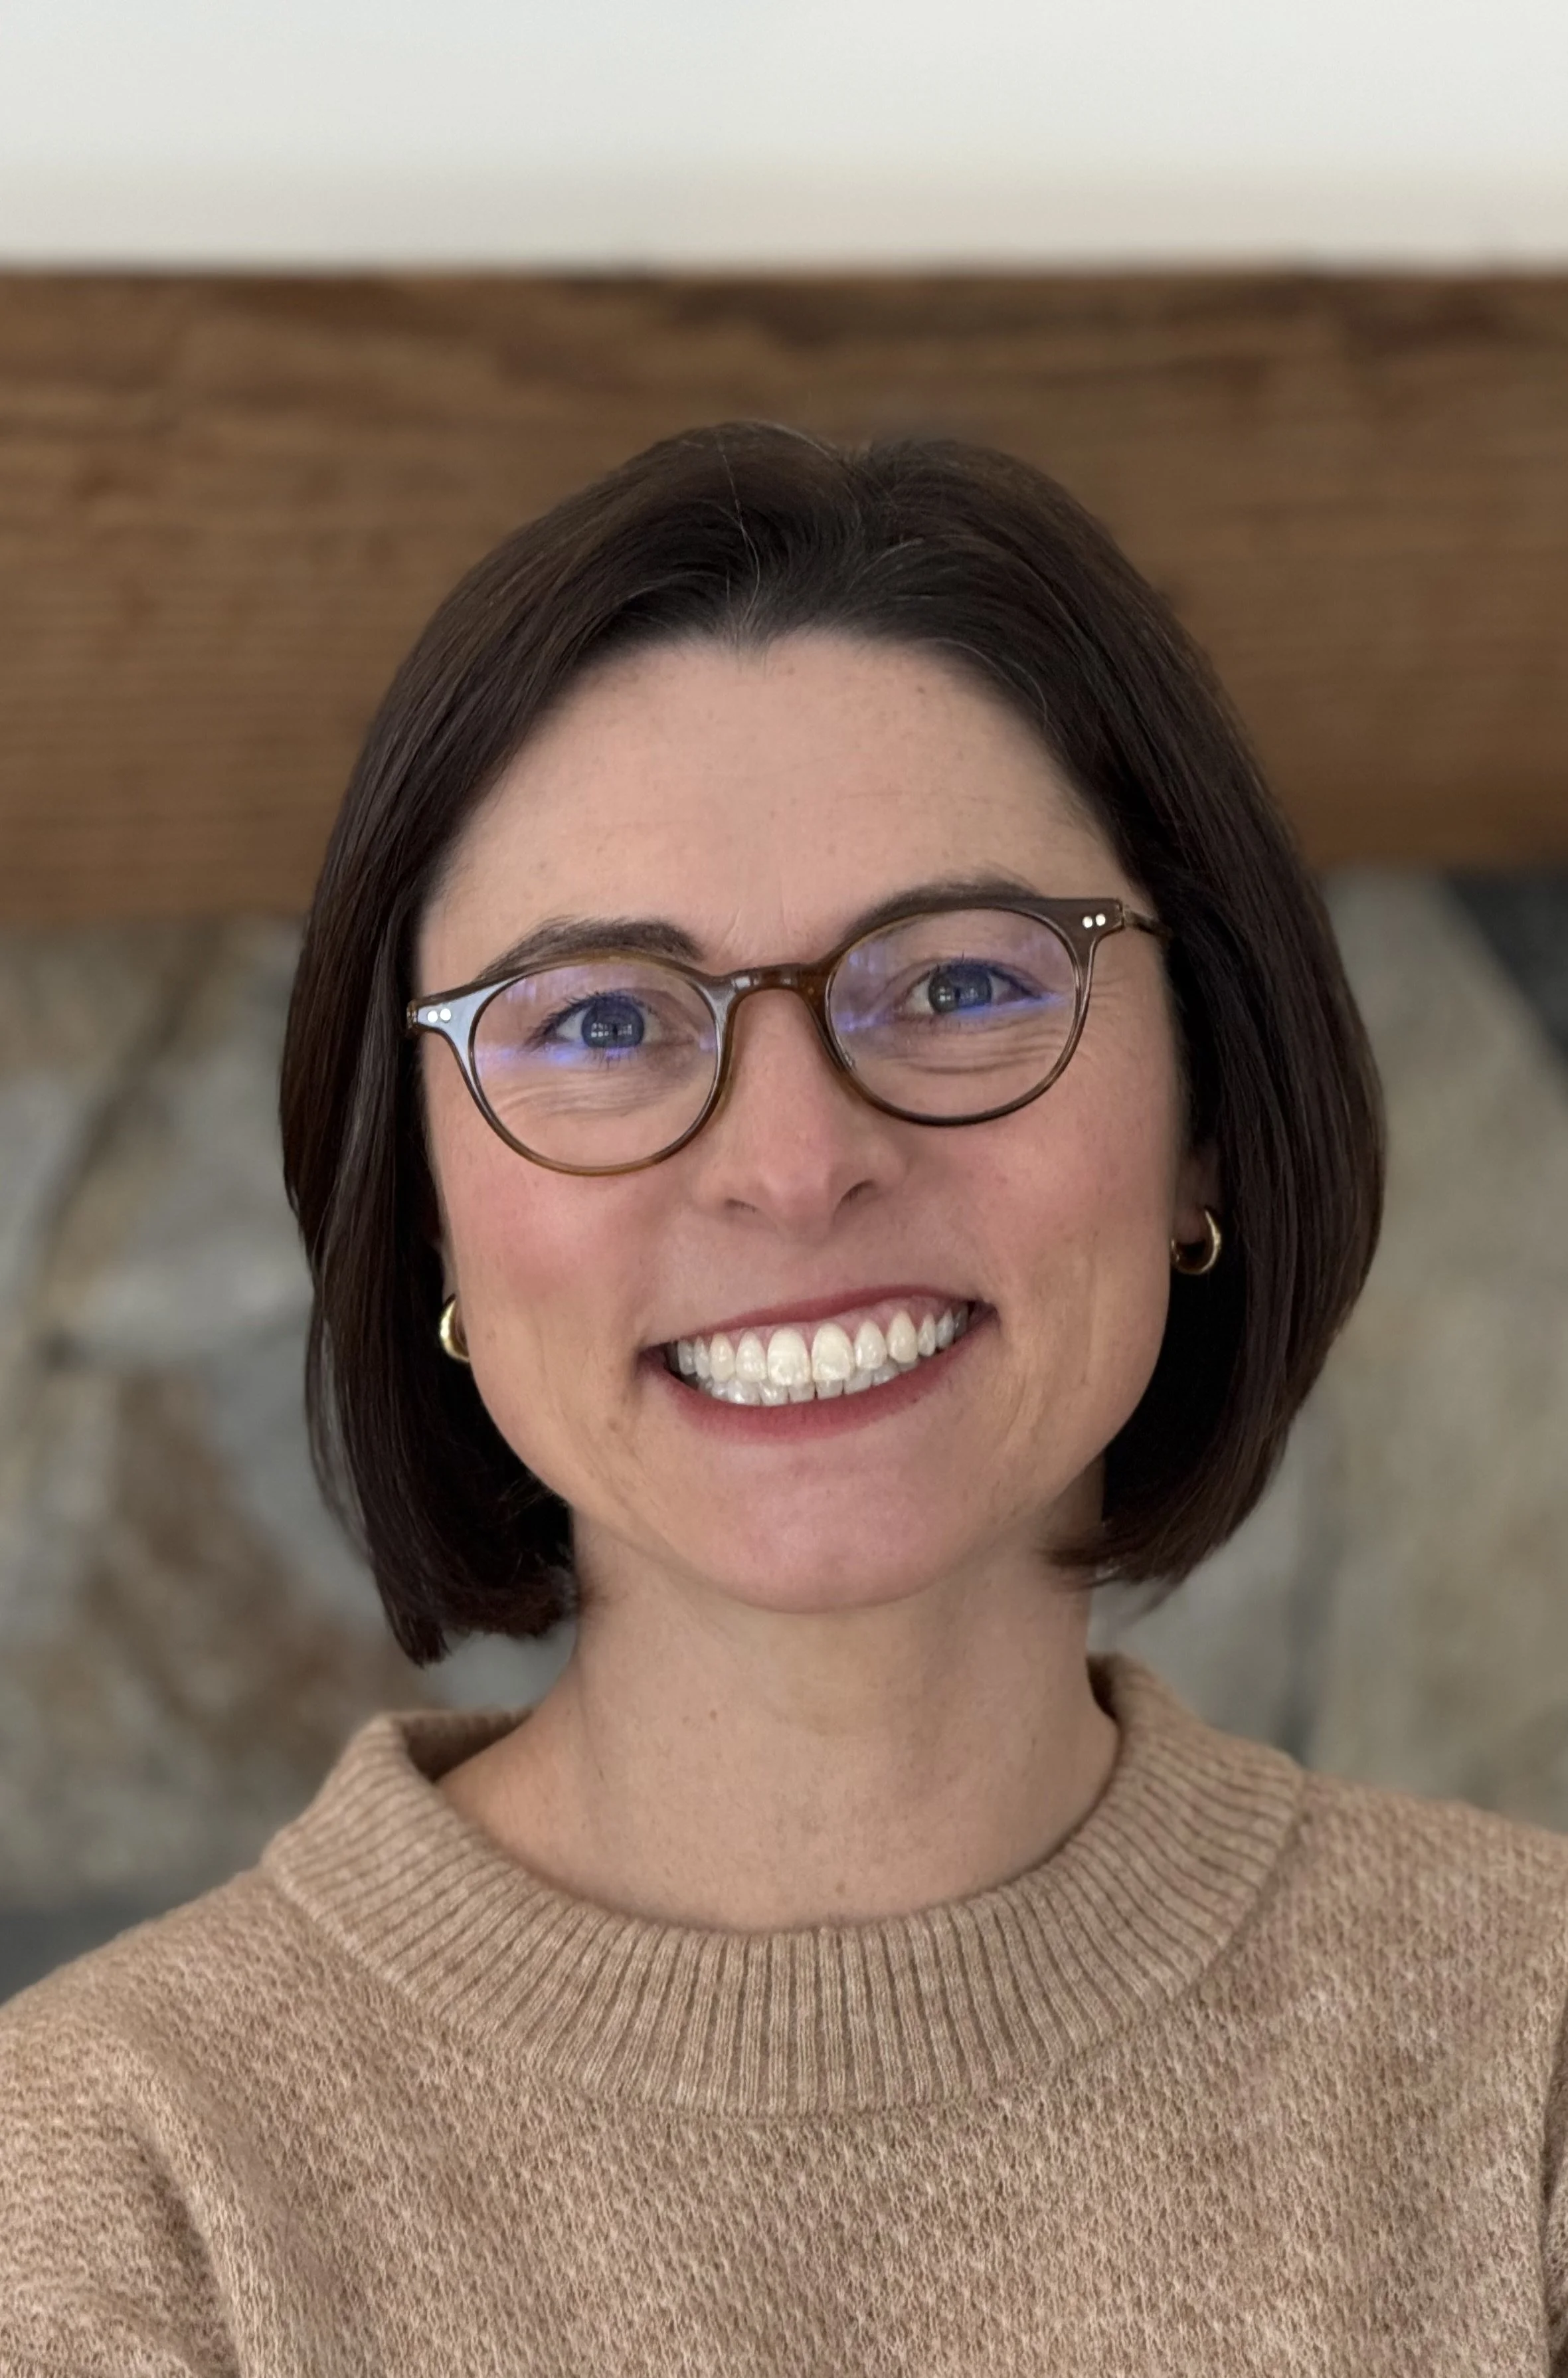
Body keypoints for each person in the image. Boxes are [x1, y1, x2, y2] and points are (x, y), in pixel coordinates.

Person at [3, 422, 1566, 2375]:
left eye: (967, 983)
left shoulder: (1534, 2077)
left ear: (1206, 1134)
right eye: (596, 1021)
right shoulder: (95, 2193)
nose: (794, 1159)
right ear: (425, 1230)